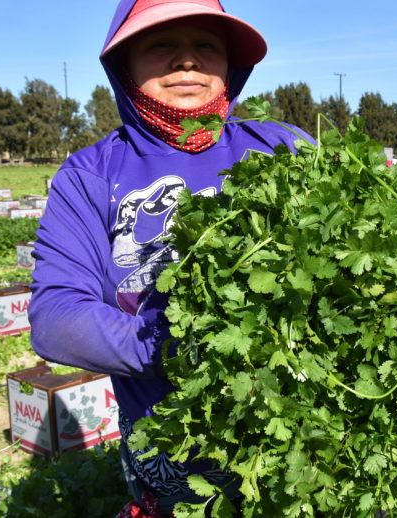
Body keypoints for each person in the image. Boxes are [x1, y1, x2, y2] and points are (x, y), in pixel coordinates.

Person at [27, 1, 309, 516]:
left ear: (230, 65)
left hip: (310, 433)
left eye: (207, 46)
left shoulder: (285, 147)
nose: (188, 61)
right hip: (175, 447)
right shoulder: (91, 174)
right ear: (125, 63)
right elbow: (57, 319)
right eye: (161, 44)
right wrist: (180, 342)